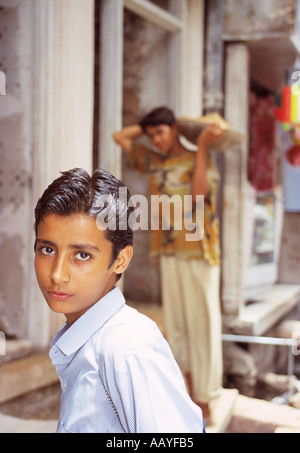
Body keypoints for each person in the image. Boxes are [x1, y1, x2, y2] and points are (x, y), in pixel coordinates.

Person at [34, 167, 205, 433]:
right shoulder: (89, 340)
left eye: (82, 255)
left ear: (120, 260)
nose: (57, 274)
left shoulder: (125, 347)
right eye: (47, 250)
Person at [114, 107, 224, 424]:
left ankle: (207, 397)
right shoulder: (152, 160)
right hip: (169, 249)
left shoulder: (199, 158)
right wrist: (150, 126)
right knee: (176, 325)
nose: (156, 141)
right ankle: (187, 395)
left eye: (161, 133)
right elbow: (120, 136)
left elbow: (200, 195)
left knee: (203, 325)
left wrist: (199, 143)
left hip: (200, 251)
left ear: (174, 129)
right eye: (152, 136)